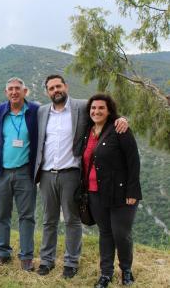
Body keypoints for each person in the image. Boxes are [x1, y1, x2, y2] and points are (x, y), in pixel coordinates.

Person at [34, 74, 128, 279]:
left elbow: (103, 112)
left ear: (66, 86)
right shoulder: (42, 112)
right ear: (47, 92)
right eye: (51, 88)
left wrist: (121, 119)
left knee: (71, 220)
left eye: (58, 86)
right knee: (48, 220)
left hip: (71, 173)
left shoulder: (82, 107)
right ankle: (46, 260)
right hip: (47, 174)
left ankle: (70, 262)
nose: (55, 90)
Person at [82, 94, 141, 288]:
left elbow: (133, 160)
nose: (96, 111)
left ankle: (126, 271)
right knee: (105, 233)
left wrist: (132, 191)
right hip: (94, 192)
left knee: (121, 233)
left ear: (109, 111)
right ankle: (106, 274)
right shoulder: (87, 130)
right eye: (93, 108)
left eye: (101, 108)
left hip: (120, 193)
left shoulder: (119, 129)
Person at [0, 77, 38, 271]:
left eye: (18, 88)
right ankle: (2, 253)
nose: (14, 92)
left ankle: (26, 256)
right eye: (11, 89)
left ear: (25, 91)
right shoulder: (0, 111)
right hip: (2, 173)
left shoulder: (34, 111)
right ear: (6, 92)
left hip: (25, 172)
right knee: (2, 214)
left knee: (26, 216)